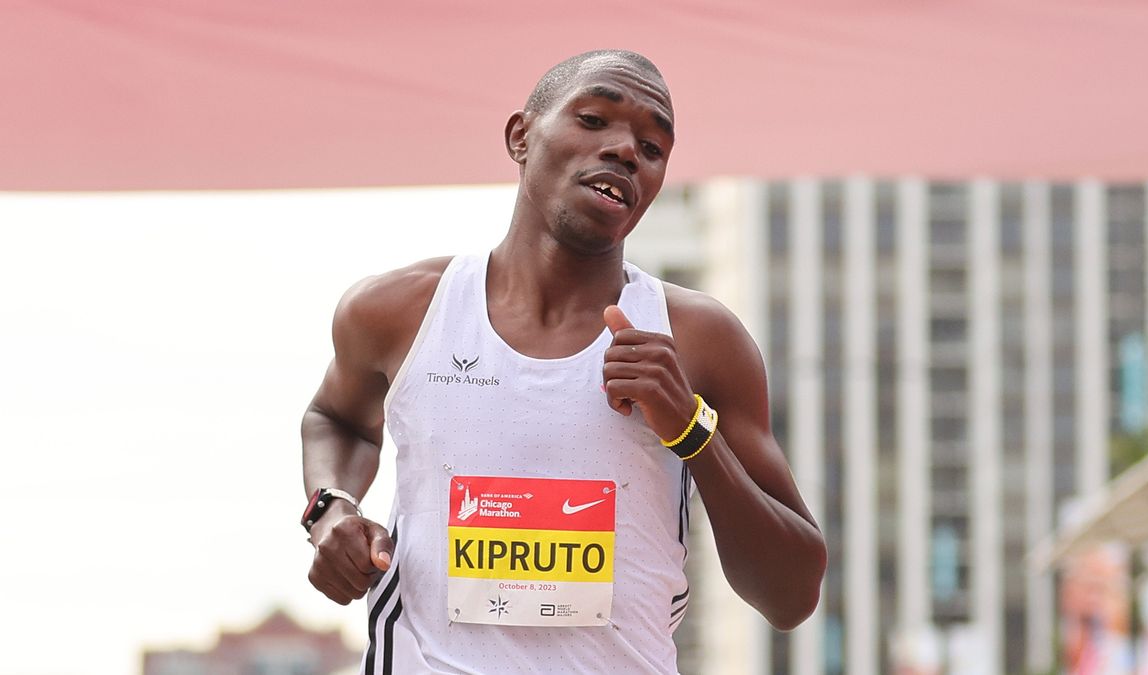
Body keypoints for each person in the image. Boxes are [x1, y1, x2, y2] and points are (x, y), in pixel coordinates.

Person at [300, 49, 826, 675]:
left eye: (653, 147)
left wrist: (690, 429)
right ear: (521, 136)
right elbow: (337, 417)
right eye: (595, 119)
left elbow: (791, 595)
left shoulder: (699, 338)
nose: (628, 150)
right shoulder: (400, 310)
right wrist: (330, 506)